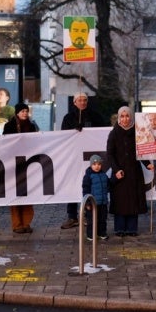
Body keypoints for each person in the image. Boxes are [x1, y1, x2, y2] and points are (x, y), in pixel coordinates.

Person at [59, 92, 108, 229]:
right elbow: (64, 136)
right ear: (74, 102)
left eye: (85, 100)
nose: (82, 102)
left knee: (90, 184)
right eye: (79, 100)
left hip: (90, 157)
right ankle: (72, 216)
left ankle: (88, 215)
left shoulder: (96, 116)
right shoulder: (68, 118)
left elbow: (102, 132)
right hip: (73, 157)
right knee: (72, 184)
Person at [106, 106, 151, 237]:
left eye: (127, 116)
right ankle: (119, 228)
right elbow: (110, 154)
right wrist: (116, 169)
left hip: (134, 172)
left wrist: (148, 164)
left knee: (133, 199)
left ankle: (132, 228)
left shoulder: (138, 132)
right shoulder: (114, 133)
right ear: (119, 118)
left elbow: (142, 150)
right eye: (122, 116)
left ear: (131, 117)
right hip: (120, 173)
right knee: (120, 200)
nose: (125, 119)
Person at [3, 103, 37, 233]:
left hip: (28, 164)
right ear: (17, 113)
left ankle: (26, 223)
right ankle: (17, 224)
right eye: (22, 111)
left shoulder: (32, 126)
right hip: (14, 164)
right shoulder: (9, 126)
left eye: (26, 111)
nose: (24, 113)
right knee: (15, 194)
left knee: (27, 194)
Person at [81, 154, 111, 240]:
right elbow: (85, 190)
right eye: (94, 164)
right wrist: (87, 202)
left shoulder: (104, 175)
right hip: (92, 203)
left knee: (102, 219)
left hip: (103, 202)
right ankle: (91, 235)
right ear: (91, 165)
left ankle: (102, 233)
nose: (97, 166)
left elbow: (108, 185)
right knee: (92, 220)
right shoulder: (88, 176)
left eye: (99, 164)